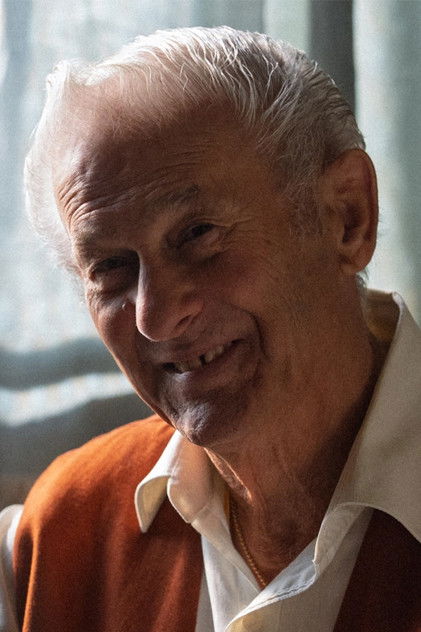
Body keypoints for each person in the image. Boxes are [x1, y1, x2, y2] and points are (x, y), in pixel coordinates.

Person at [0, 26, 420, 632]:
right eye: (111, 267)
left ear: (346, 218)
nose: (154, 317)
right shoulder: (61, 532)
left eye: (198, 235)